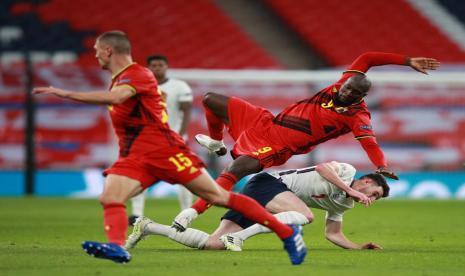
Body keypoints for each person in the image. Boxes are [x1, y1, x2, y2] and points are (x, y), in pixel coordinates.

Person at [33, 30, 307, 265]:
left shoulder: (137, 74)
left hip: (166, 152)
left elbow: (118, 98)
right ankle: (117, 247)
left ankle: (286, 233)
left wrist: (65, 93)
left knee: (219, 195)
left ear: (108, 50)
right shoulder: (121, 78)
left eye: (96, 51)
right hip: (137, 155)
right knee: (110, 197)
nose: (95, 56)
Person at [172, 52, 439, 230]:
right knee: (210, 99)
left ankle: (193, 212)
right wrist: (407, 60)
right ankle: (217, 143)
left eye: (352, 92)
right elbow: (368, 57)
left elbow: (370, 143)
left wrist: (380, 165)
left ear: (361, 96)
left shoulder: (357, 116)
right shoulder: (344, 81)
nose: (345, 91)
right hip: (265, 122)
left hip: (279, 146)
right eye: (345, 86)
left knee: (237, 169)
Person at [125, 161, 388, 251]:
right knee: (305, 216)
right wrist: (350, 189)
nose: (371, 200)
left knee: (213, 244)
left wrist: (358, 247)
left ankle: (148, 227)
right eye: (374, 193)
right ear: (364, 181)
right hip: (268, 184)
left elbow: (332, 233)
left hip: (270, 199)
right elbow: (322, 167)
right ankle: (237, 238)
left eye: (376, 199)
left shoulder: (345, 204)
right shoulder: (346, 172)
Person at [128, 55, 194, 225]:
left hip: (174, 138)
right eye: (154, 65)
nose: (157, 68)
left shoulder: (179, 86)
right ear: (148, 68)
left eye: (160, 65)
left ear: (166, 66)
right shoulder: (140, 86)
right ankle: (136, 214)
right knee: (138, 175)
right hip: (148, 139)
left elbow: (186, 110)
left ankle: (186, 213)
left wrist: (180, 134)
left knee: (185, 177)